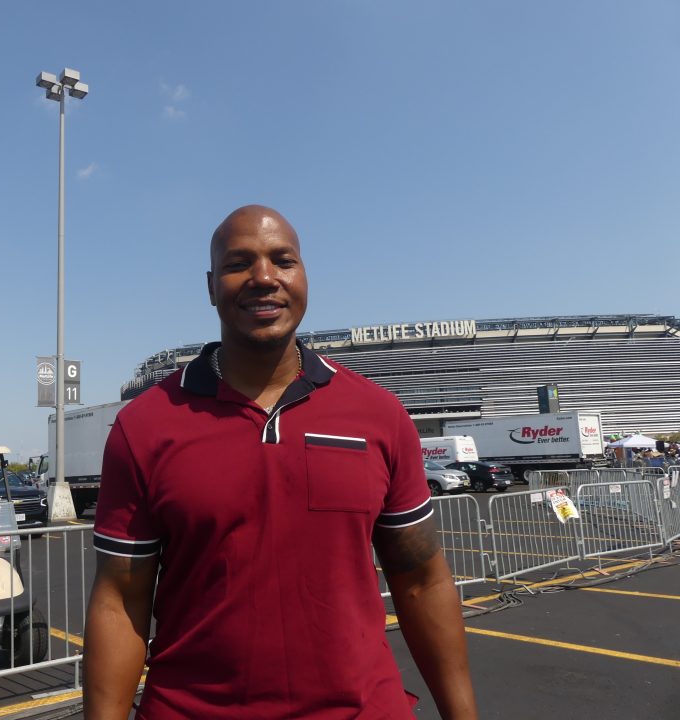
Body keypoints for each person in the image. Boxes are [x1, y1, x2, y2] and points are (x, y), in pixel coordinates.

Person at [84, 205, 478, 719]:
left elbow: (422, 580)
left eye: (282, 260)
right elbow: (119, 602)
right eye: (238, 263)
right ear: (210, 286)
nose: (263, 278)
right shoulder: (146, 425)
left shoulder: (378, 414)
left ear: (304, 276)